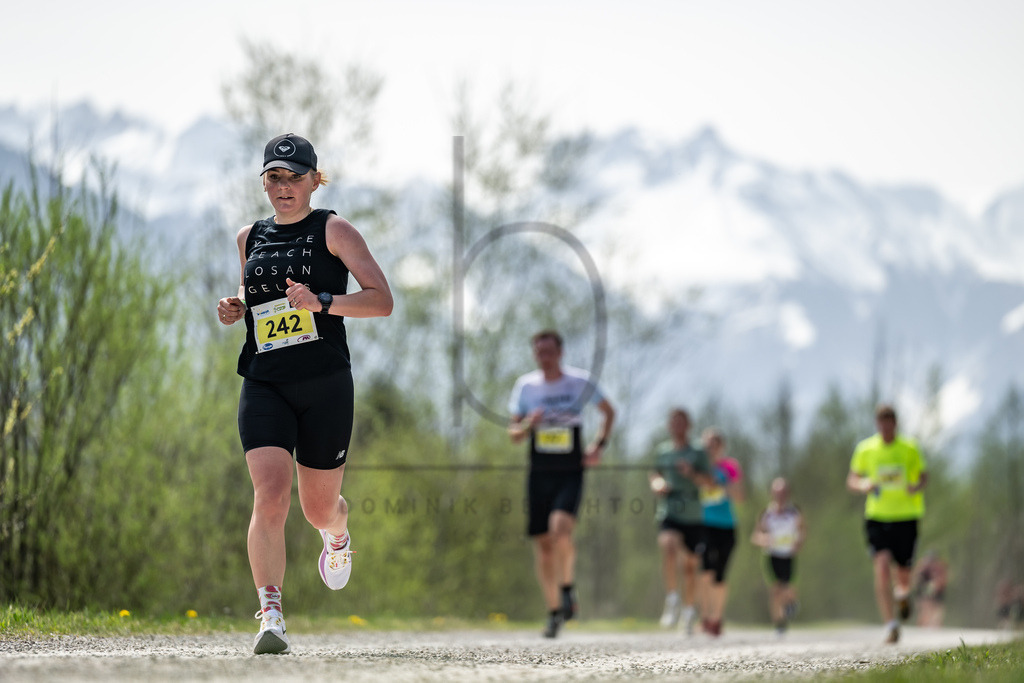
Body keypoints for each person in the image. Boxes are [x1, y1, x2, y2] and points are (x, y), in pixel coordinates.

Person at [217, 133, 393, 655]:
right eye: (274, 177)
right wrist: (236, 308)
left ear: (316, 180)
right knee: (269, 495)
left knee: (318, 510)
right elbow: (259, 302)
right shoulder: (251, 235)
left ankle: (337, 536)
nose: (284, 187)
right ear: (264, 183)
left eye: (295, 177)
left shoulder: (334, 229)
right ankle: (271, 613)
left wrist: (323, 301)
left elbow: (381, 301)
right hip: (265, 382)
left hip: (324, 386)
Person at [507, 330, 615, 639]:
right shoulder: (526, 386)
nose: (545, 357)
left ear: (560, 352)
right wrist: (529, 424)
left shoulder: (578, 382)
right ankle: (554, 612)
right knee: (543, 548)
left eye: (550, 351)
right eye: (539, 352)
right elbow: (514, 434)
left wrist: (598, 445)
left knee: (561, 530)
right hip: (539, 471)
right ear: (534, 355)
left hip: (570, 470)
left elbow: (608, 412)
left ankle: (567, 587)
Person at [846, 403, 928, 644]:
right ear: (876, 424)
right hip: (877, 517)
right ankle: (890, 624)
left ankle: (902, 594)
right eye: (881, 422)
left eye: (889, 422)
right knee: (881, 566)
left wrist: (916, 486)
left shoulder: (910, 448)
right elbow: (852, 478)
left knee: (903, 575)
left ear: (895, 423)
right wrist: (863, 485)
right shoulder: (866, 449)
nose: (885, 427)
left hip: (906, 516)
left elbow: (924, 476)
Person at [649, 408, 710, 634]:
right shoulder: (663, 452)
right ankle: (672, 598)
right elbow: (654, 474)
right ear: (669, 426)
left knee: (690, 567)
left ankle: (688, 610)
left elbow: (709, 482)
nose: (677, 426)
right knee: (668, 545)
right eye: (673, 422)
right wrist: (657, 484)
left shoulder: (698, 451)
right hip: (670, 509)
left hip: (693, 513)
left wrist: (691, 473)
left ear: (689, 425)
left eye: (681, 422)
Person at [697, 428, 744, 637]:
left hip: (727, 525)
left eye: (715, 444)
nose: (711, 448)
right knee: (705, 569)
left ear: (721, 446)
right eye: (707, 444)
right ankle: (704, 616)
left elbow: (740, 496)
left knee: (720, 573)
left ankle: (717, 617)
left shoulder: (729, 467)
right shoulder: (698, 466)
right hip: (704, 524)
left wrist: (722, 483)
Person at [751, 477, 805, 636]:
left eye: (783, 493)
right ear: (772, 493)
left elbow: (802, 531)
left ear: (788, 494)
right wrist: (764, 539)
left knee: (788, 589)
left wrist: (798, 542)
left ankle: (791, 603)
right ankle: (779, 623)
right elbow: (755, 535)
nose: (780, 496)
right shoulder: (766, 514)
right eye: (777, 492)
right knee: (775, 590)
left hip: (788, 555)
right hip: (771, 556)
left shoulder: (794, 512)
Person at [913, 550, 948, 627]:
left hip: (937, 592)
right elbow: (916, 579)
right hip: (923, 589)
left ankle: (936, 624)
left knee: (937, 609)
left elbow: (943, 581)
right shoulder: (922, 566)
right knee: (924, 607)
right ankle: (922, 624)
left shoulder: (939, 567)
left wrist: (936, 585)